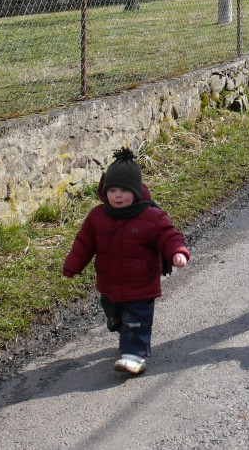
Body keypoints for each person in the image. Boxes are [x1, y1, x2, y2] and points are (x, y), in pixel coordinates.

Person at [63, 147, 190, 375]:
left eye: (123, 190)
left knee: (136, 320)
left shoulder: (151, 216)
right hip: (109, 283)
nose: (118, 196)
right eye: (112, 190)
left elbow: (169, 235)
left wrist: (177, 252)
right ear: (104, 191)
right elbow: (84, 243)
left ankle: (135, 356)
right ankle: (123, 329)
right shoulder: (97, 216)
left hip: (141, 284)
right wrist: (73, 265)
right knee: (116, 316)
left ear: (136, 191)